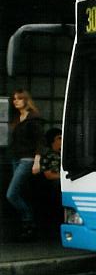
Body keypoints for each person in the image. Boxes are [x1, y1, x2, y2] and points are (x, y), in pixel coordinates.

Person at [7, 89, 44, 240]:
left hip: (28, 160)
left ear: (26, 100)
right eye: (14, 99)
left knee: (12, 194)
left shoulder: (33, 118)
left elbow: (40, 141)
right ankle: (28, 227)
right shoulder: (17, 118)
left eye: (19, 99)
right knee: (20, 193)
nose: (16, 101)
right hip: (16, 158)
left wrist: (37, 161)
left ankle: (29, 221)